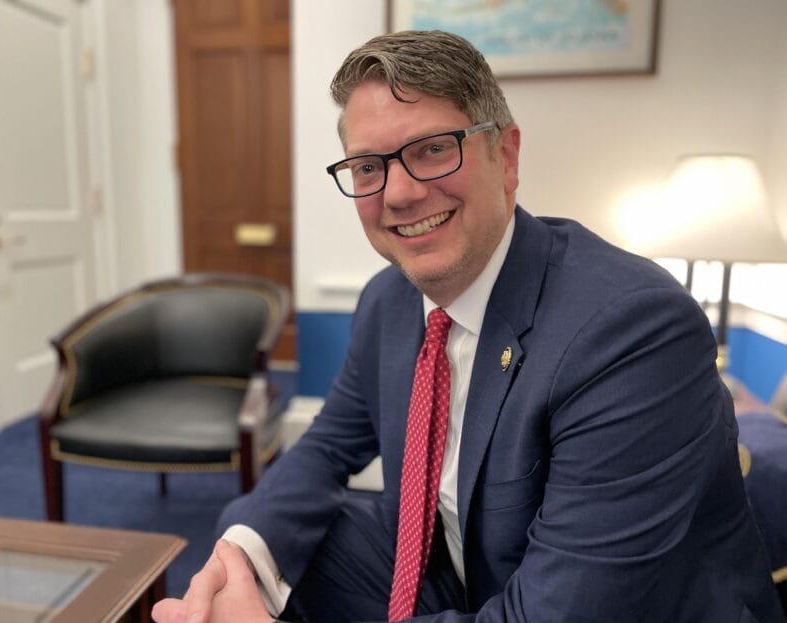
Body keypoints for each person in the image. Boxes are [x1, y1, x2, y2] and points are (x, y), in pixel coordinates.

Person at [153, 30, 784, 623]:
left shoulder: (631, 330)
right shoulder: (388, 301)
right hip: (462, 569)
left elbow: (554, 613)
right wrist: (240, 553)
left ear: (505, 156)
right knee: (276, 546)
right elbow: (326, 448)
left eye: (432, 150)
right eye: (368, 167)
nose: (397, 194)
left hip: (611, 605)